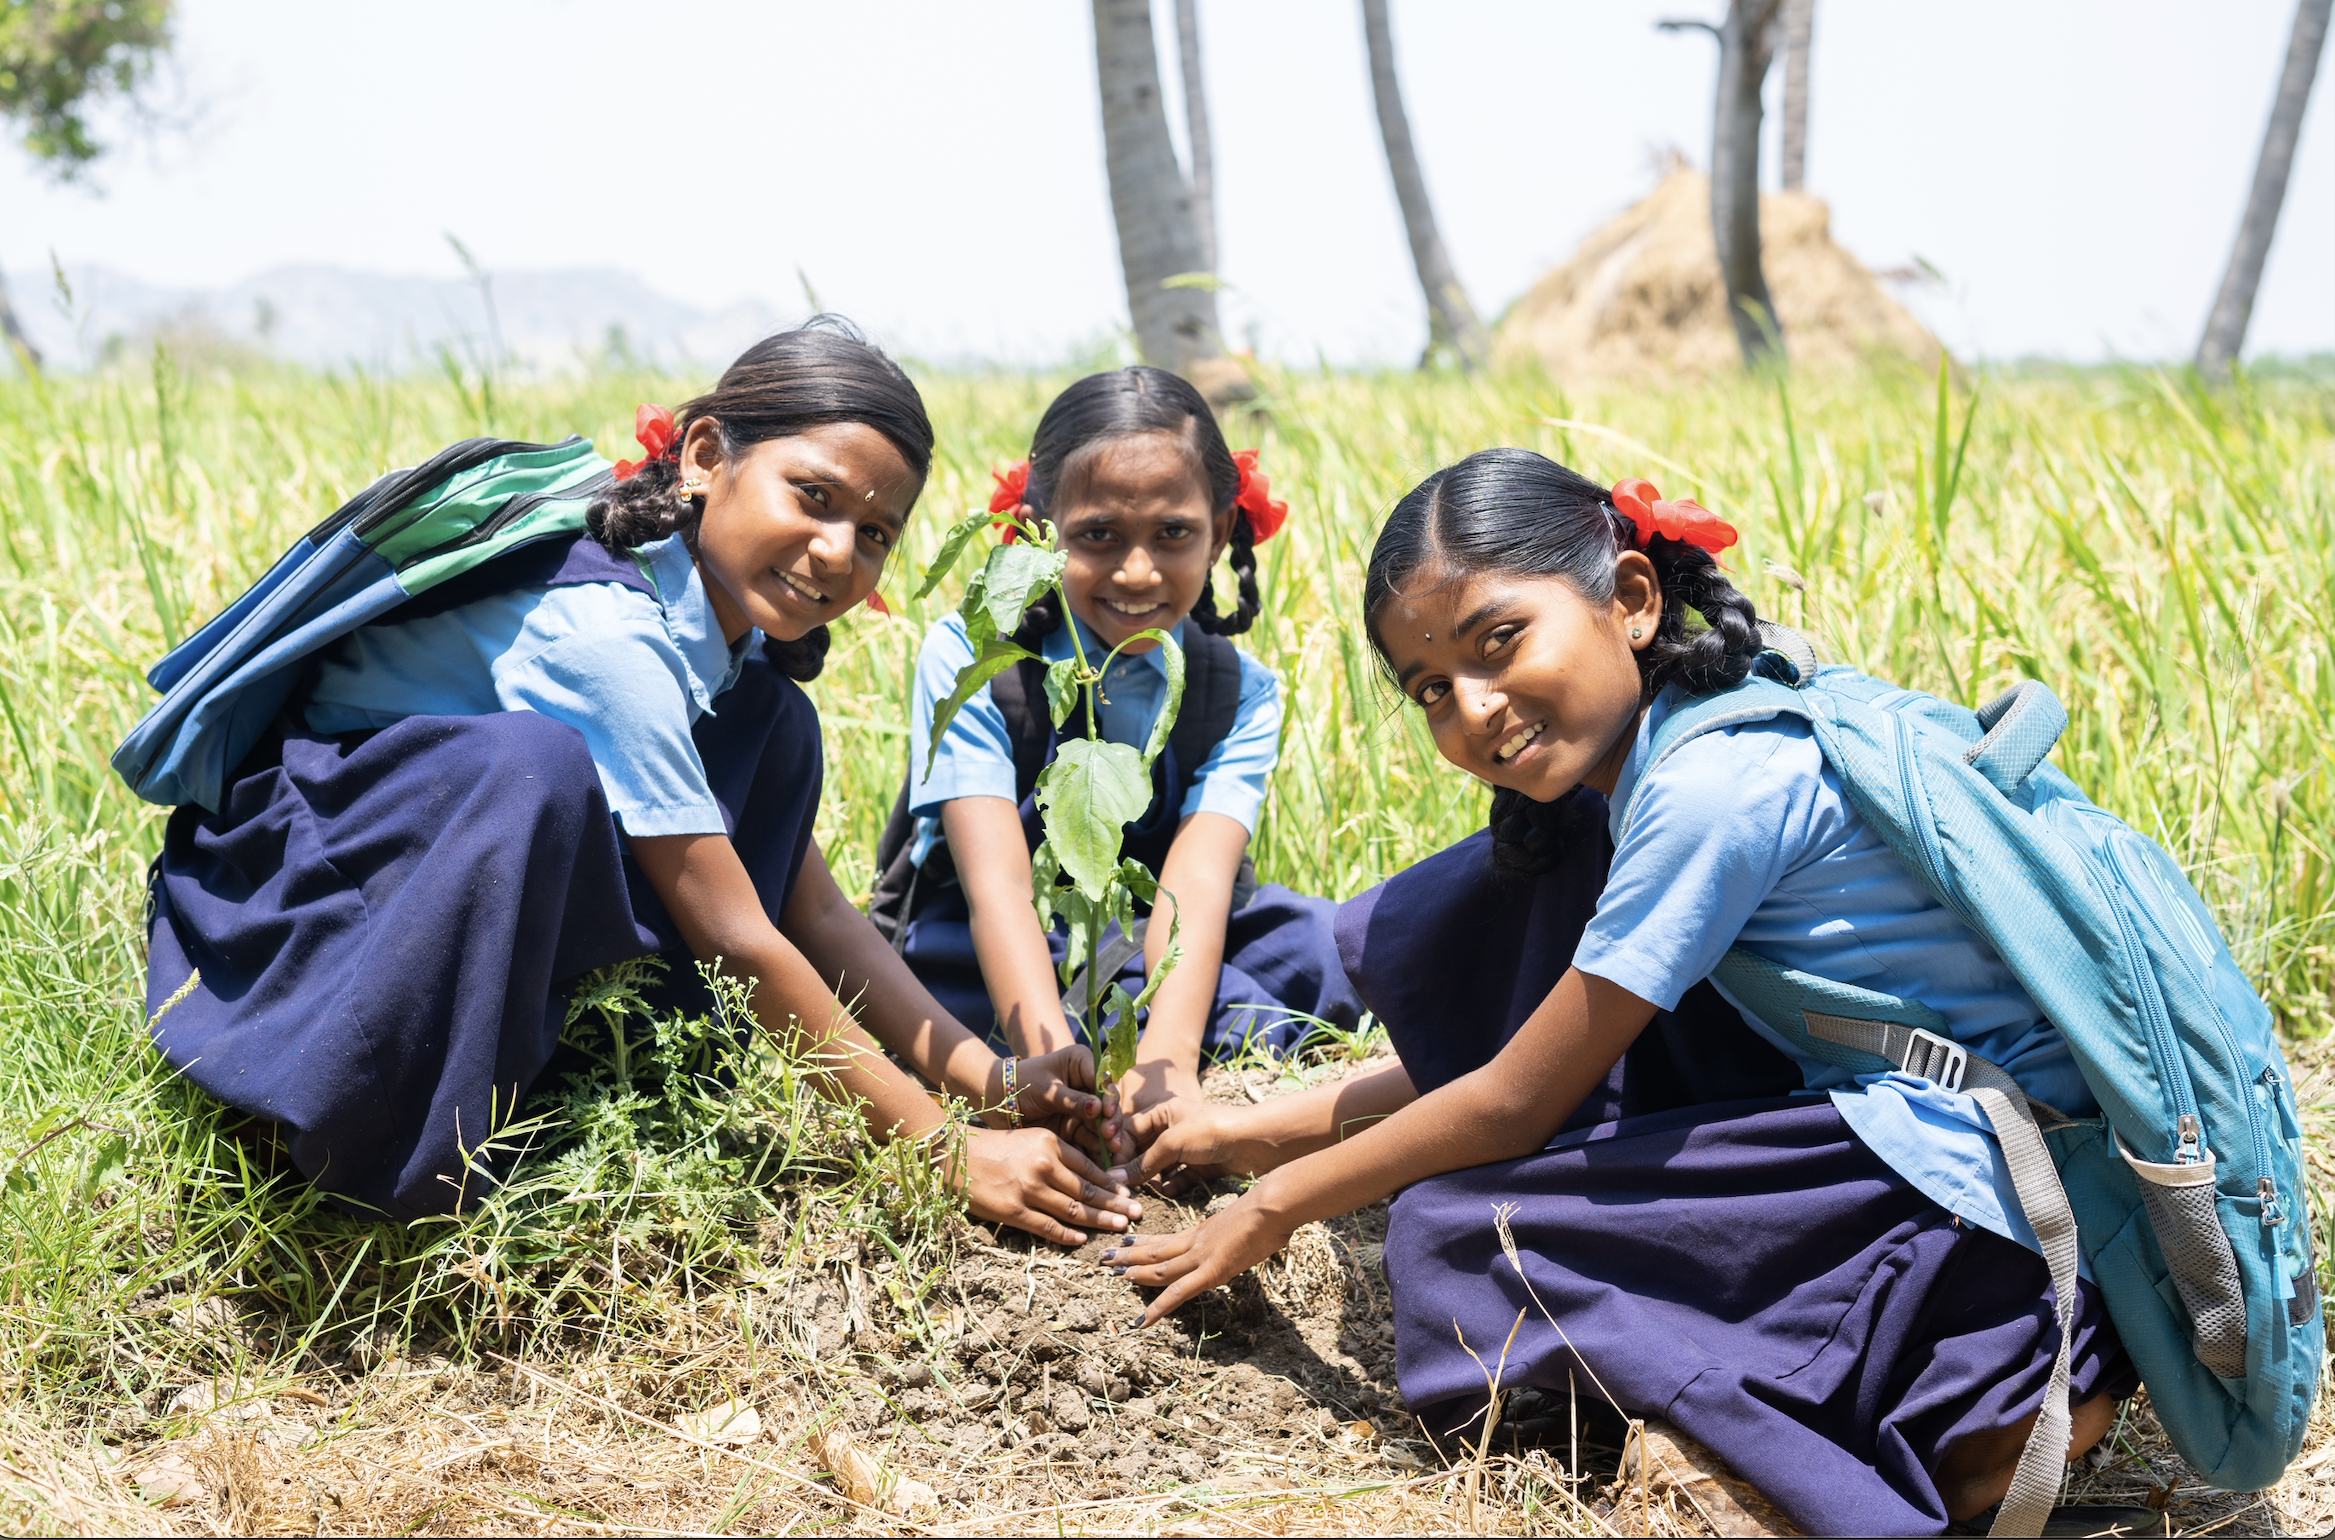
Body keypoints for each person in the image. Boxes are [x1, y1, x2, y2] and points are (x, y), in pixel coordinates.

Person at [1101, 449, 2140, 1534]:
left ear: (1632, 600)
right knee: (1508, 904)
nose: (1475, 708)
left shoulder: (1705, 791)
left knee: (1465, 1237)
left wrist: (1271, 1205)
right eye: (1431, 692)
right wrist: (1246, 1133)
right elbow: (1511, 1059)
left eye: (1498, 641)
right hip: (1940, 1139)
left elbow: (1513, 1099)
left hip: (1999, 1189)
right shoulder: (1670, 752)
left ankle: (1987, 1402)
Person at [141, 321, 1140, 1248]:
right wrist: (944, 1147)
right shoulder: (608, 638)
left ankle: (578, 1089)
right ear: (706, 457)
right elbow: (737, 935)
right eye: (814, 496)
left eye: (876, 532)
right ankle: (375, 1129)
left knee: (772, 728)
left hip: (439, 885)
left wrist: (989, 1077)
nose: (838, 550)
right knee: (530, 769)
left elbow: (814, 910)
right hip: (307, 904)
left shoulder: (722, 651)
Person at [871, 366, 1362, 1129]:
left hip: (1150, 943)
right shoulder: (974, 657)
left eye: (1174, 534)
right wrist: (1043, 1065)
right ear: (1040, 532)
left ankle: (1148, 1034)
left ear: (1221, 532)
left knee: (1330, 945)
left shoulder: (1239, 689)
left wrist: (1165, 1069)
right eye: (1097, 536)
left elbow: (1196, 883)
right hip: (986, 945)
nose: (1137, 572)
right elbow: (995, 888)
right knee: (941, 1001)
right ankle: (1095, 1040)